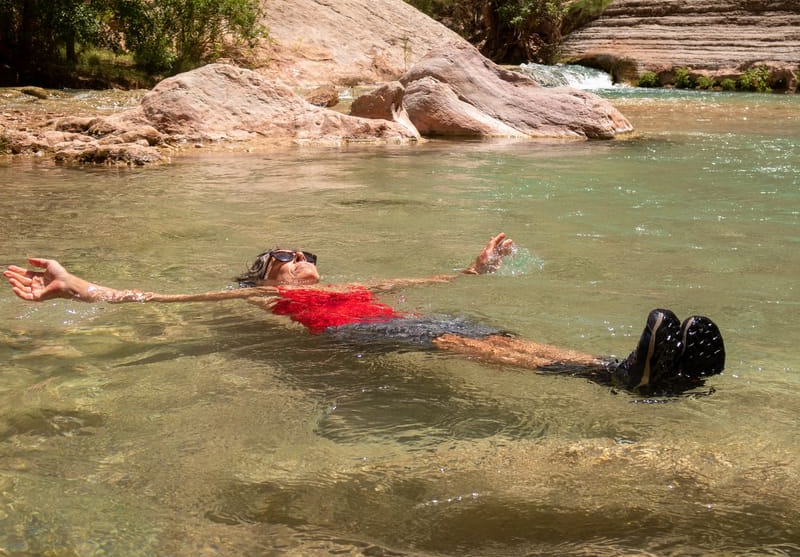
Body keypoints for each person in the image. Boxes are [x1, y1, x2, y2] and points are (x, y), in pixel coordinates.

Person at [3, 233, 725, 394]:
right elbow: (160, 299)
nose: (302, 259)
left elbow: (436, 274)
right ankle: (623, 374)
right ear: (268, 275)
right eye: (287, 255)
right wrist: (79, 287)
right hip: (360, 336)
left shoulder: (359, 278)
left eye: (306, 253)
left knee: (501, 338)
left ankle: (627, 373)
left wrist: (478, 270)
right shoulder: (263, 296)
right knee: (474, 346)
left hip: (394, 319)